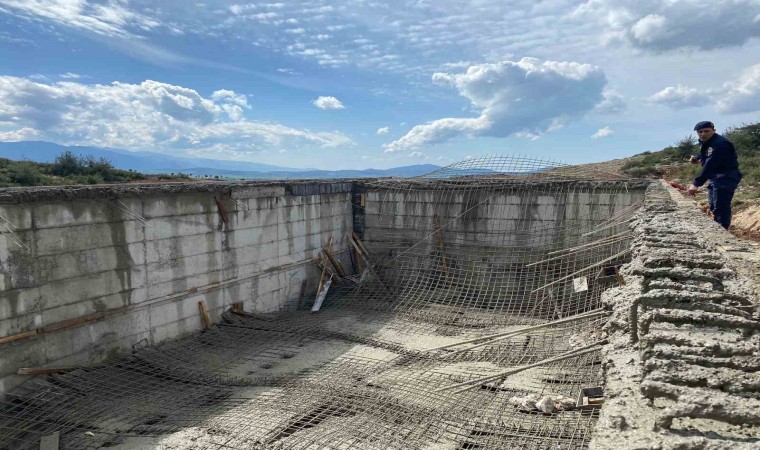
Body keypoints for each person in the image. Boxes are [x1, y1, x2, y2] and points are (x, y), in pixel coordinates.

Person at [686, 121, 742, 229]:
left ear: (714, 131)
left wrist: (696, 184)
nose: (703, 134)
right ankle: (720, 229)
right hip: (716, 177)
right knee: (713, 205)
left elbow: (710, 164)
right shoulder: (707, 141)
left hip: (726, 176)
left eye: (706, 131)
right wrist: (697, 158)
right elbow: (706, 154)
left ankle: (722, 232)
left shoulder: (720, 143)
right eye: (700, 132)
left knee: (720, 206)